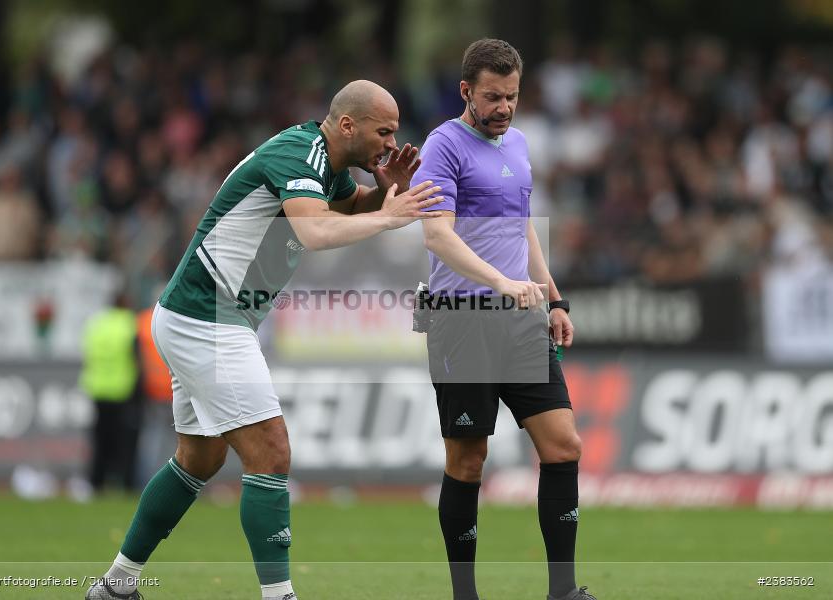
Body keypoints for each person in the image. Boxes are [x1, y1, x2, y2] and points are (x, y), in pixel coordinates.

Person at [85, 79, 443, 600]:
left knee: (199, 460)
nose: (392, 143)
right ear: (347, 125)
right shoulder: (301, 154)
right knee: (271, 452)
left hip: (206, 315)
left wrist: (387, 195)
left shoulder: (326, 163)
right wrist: (391, 217)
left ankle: (115, 586)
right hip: (206, 316)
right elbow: (315, 233)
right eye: (383, 131)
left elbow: (350, 208)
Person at [411, 39, 596, 600]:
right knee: (468, 461)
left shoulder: (516, 142)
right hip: (462, 320)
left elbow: (523, 229)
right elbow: (436, 234)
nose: (504, 108)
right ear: (467, 91)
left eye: (512, 96)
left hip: (520, 318)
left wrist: (553, 298)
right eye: (493, 97)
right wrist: (501, 282)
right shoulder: (443, 147)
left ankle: (561, 591)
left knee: (563, 445)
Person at [79, 299, 142, 494]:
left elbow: (88, 354)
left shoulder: (96, 324)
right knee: (124, 443)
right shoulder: (130, 324)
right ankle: (126, 484)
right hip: (122, 390)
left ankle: (96, 483)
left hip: (98, 390)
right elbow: (137, 358)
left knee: (100, 440)